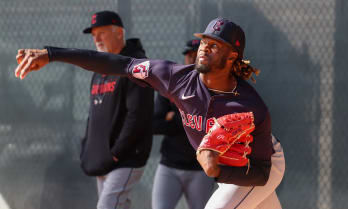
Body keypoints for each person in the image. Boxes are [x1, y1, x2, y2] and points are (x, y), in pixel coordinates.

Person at [15, 17, 285, 209]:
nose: (204, 48)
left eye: (215, 46)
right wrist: (52, 54)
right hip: (227, 167)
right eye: (205, 41)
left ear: (232, 58)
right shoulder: (175, 78)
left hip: (258, 164)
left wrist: (218, 172)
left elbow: (260, 173)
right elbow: (117, 64)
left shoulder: (249, 106)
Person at [61, 11, 154, 209]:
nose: (96, 39)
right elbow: (93, 113)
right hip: (104, 156)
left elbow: (138, 115)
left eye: (101, 33)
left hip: (125, 157)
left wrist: (116, 153)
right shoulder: (100, 68)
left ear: (119, 33)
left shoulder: (135, 66)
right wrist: (88, 147)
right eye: (94, 35)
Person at [152, 39, 215, 209]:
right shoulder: (172, 85)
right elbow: (155, 124)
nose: (192, 58)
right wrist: (188, 120)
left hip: (200, 168)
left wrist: (174, 118)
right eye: (189, 55)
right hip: (169, 164)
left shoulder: (214, 88)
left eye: (197, 55)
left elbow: (209, 126)